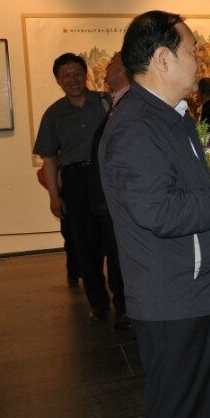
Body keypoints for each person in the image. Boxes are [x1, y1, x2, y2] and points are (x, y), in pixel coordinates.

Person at [99, 11, 210, 418]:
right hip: (177, 300)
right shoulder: (135, 127)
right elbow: (159, 210)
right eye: (192, 50)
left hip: (200, 291)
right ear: (163, 59)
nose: (199, 59)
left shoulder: (172, 117)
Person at [33, 53, 114, 321]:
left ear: (86, 74)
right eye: (66, 75)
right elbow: (48, 158)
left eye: (77, 73)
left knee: (114, 243)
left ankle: (124, 304)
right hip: (75, 181)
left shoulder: (106, 102)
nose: (73, 79)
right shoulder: (53, 114)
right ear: (58, 80)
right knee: (85, 246)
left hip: (106, 178)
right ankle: (98, 304)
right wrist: (54, 197)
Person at [88, 52, 131, 331]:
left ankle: (127, 307)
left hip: (120, 200)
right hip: (110, 199)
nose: (106, 69)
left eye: (113, 63)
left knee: (120, 256)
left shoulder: (130, 104)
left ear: (125, 69)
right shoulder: (117, 103)